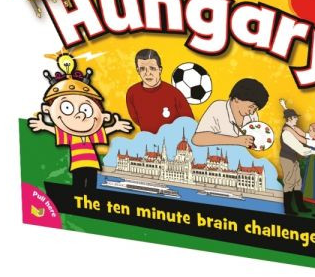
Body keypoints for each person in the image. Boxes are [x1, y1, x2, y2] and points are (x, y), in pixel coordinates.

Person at [28, 54, 132, 189]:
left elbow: (104, 131)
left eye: (86, 109)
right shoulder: (71, 135)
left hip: (92, 164)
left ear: (103, 116)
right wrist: (44, 126)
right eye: (67, 108)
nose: (80, 115)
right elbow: (56, 131)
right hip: (77, 165)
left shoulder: (91, 134)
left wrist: (116, 126)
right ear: (48, 110)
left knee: (91, 187)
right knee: (78, 186)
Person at [126, 49, 193, 133]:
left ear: (160, 70)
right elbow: (136, 119)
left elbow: (189, 123)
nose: (147, 73)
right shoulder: (132, 93)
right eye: (142, 69)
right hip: (148, 139)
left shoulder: (174, 93)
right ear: (138, 71)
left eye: (152, 68)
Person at [191, 78, 269, 148]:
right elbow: (197, 139)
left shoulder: (253, 116)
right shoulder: (218, 108)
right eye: (251, 106)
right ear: (236, 99)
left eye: (255, 109)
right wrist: (236, 140)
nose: (252, 112)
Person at [279, 101, 313, 215]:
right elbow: (300, 149)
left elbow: (303, 138)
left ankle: (300, 206)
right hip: (287, 158)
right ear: (289, 119)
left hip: (293, 158)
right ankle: (287, 209)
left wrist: (284, 106)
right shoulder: (287, 133)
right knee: (289, 183)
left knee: (298, 182)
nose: (297, 119)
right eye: (295, 117)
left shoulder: (292, 128)